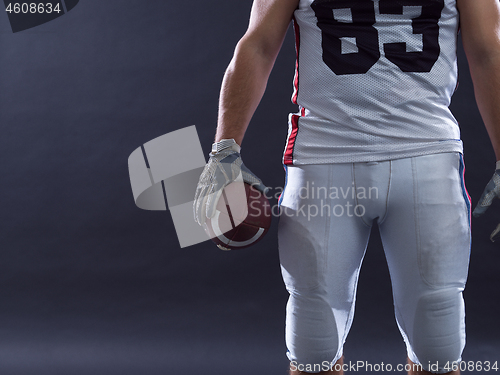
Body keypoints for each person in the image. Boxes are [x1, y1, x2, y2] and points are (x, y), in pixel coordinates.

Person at [193, 0, 500, 374]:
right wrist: (225, 148)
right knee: (312, 349)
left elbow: (489, 49)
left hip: (426, 154)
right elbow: (257, 44)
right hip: (325, 157)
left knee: (438, 346)